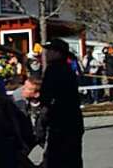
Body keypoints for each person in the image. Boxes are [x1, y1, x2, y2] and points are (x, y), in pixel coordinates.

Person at [38, 38, 84, 168]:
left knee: (56, 158)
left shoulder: (54, 70)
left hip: (60, 122)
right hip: (74, 120)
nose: (46, 53)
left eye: (50, 50)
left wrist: (44, 115)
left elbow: (47, 97)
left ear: (59, 53)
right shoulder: (68, 69)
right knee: (73, 158)